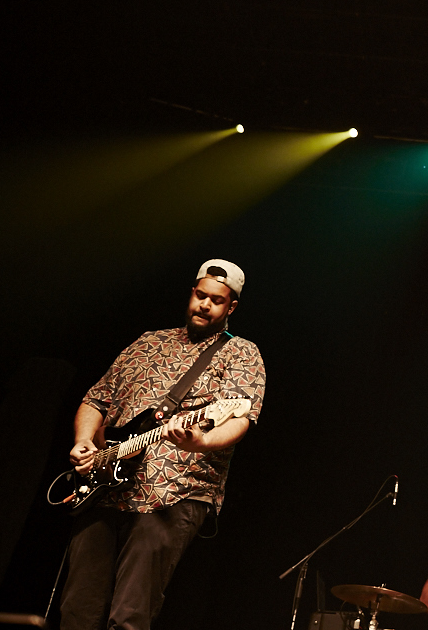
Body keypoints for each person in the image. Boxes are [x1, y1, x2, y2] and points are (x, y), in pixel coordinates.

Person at [60, 259, 266, 630]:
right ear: (191, 292)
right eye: (200, 295)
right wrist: (82, 441)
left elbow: (238, 419)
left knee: (130, 615)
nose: (205, 305)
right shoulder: (148, 342)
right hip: (104, 488)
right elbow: (96, 400)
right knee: (77, 610)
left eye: (216, 301)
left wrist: (201, 440)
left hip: (171, 494)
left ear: (231, 307)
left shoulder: (241, 353)